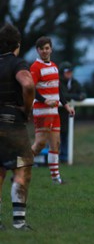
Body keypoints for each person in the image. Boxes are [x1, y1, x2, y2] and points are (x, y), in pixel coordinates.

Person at [0, 23, 35, 230]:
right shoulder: (17, 63)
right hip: (12, 123)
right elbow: (28, 84)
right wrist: (27, 109)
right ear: (17, 45)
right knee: (21, 167)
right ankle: (19, 222)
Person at [30, 36, 75, 184]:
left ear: (51, 49)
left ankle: (56, 179)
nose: (44, 51)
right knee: (40, 144)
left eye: (47, 48)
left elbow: (58, 89)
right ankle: (18, 166)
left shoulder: (54, 66)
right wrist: (44, 100)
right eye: (42, 48)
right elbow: (30, 89)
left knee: (55, 143)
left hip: (54, 112)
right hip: (41, 111)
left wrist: (66, 105)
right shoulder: (35, 67)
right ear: (38, 50)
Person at [58, 62, 86, 163]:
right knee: (56, 137)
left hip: (67, 115)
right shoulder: (57, 82)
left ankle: (64, 157)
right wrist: (76, 96)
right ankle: (52, 157)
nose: (70, 74)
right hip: (57, 114)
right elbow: (63, 95)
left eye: (71, 72)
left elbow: (83, 93)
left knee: (66, 136)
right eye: (67, 72)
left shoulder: (74, 82)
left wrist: (80, 96)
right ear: (62, 73)